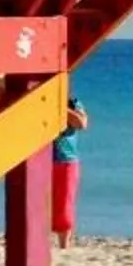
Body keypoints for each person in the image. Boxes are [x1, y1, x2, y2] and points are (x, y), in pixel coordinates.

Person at [51, 100, 91, 250]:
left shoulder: (73, 103)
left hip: (65, 158)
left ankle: (63, 245)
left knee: (64, 202)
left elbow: (81, 123)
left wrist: (58, 106)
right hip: (40, 158)